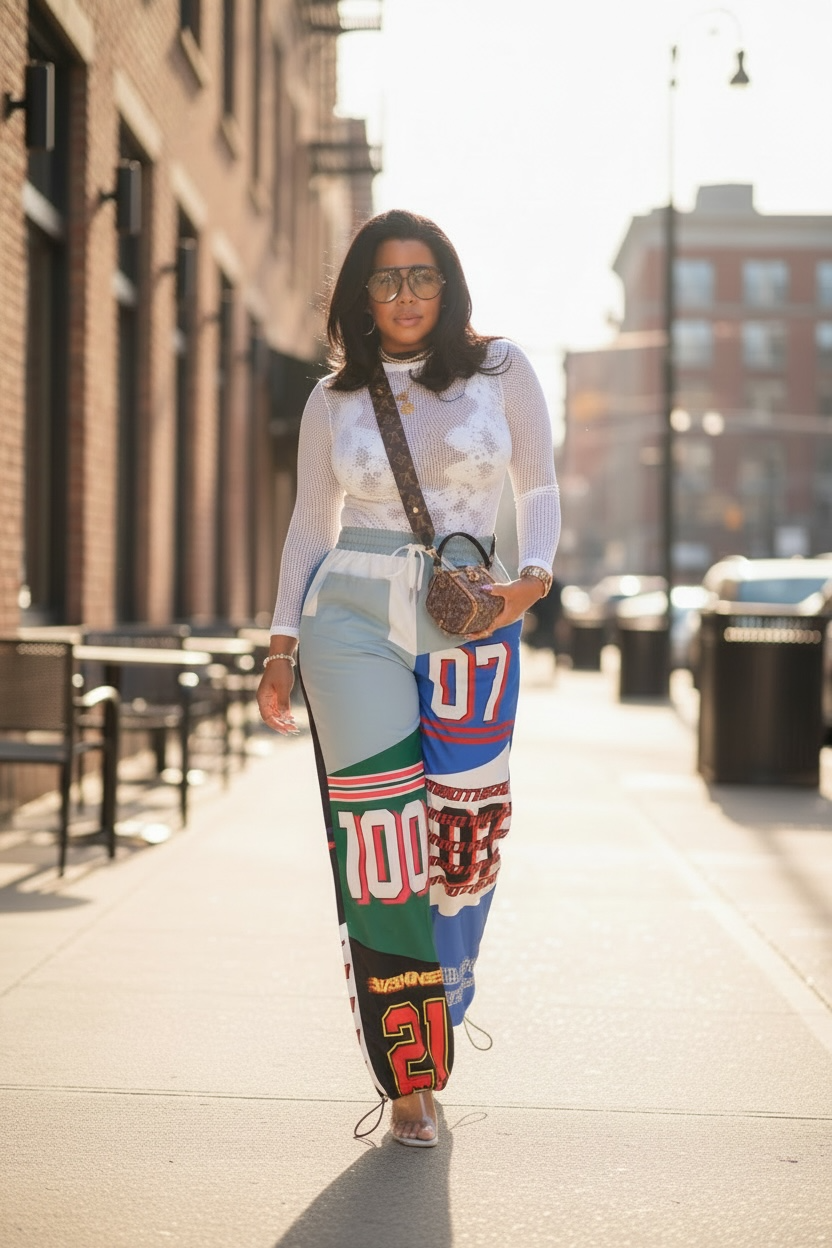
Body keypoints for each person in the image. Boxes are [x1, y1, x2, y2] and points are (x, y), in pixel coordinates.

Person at [257, 209, 560, 1147]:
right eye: (384, 280)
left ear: (448, 283)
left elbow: (539, 488)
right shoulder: (332, 397)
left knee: (463, 836)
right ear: (360, 294)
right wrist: (279, 646)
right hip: (351, 619)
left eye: (422, 276)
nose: (405, 295)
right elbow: (310, 525)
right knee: (381, 841)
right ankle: (409, 1073)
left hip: (473, 617)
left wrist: (529, 583)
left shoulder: (502, 369)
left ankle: (448, 996)